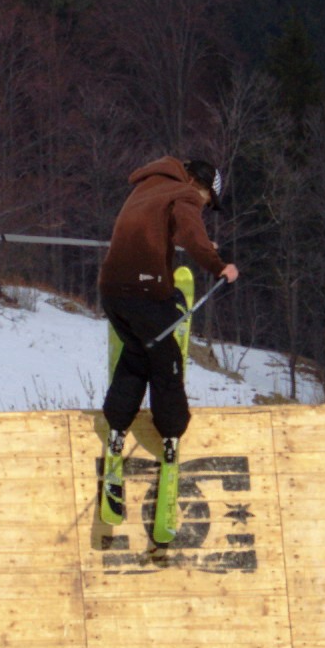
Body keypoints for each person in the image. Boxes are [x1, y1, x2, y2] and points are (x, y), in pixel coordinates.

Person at [96, 152, 238, 516]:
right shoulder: (186, 193)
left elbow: (160, 229)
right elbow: (189, 229)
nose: (204, 207)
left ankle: (115, 429)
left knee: (137, 354)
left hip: (112, 292)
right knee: (167, 363)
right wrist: (219, 265)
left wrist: (201, 245)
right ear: (201, 186)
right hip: (146, 294)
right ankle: (171, 437)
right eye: (209, 202)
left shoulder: (149, 184)